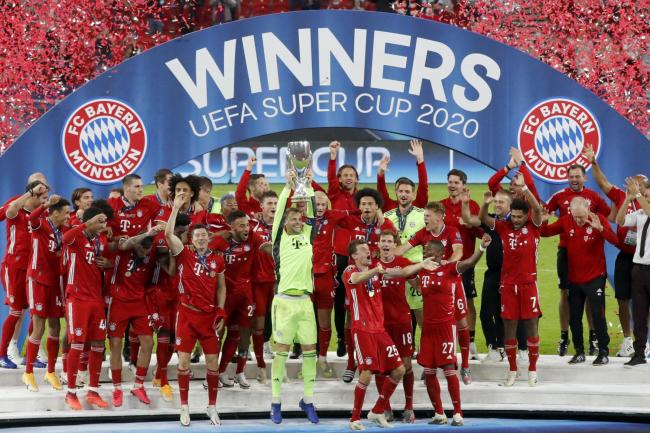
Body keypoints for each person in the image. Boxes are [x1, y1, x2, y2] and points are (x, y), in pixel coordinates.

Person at [344, 240, 432, 430]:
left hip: (380, 330)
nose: (368, 251)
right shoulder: (350, 271)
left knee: (399, 369)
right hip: (363, 330)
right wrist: (376, 271)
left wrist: (422, 264)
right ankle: (354, 419)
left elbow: (403, 272)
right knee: (366, 373)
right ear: (355, 256)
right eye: (363, 250)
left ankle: (378, 410)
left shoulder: (377, 270)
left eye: (368, 249)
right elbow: (357, 279)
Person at [411, 235, 491, 426]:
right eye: (424, 249)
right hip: (427, 329)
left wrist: (481, 247)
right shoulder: (422, 270)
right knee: (429, 372)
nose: (425, 251)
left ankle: (457, 413)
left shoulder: (450, 269)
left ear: (440, 253)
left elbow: (470, 262)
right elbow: (408, 276)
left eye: (428, 249)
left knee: (448, 369)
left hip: (445, 327)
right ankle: (439, 413)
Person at [165, 192, 226, 426]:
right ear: (191, 238)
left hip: (209, 317)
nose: (201, 238)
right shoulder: (184, 254)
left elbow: (221, 287)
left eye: (204, 235)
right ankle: (184, 406)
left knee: (213, 364)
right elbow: (168, 234)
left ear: (209, 238)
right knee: (183, 363)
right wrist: (175, 209)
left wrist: (221, 310)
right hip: (186, 315)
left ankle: (212, 407)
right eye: (197, 235)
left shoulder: (217, 260)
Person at [396, 201, 473, 384]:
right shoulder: (422, 233)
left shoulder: (451, 231)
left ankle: (465, 365)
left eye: (427, 216)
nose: (424, 219)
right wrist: (385, 255)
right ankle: (430, 364)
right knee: (431, 322)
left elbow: (459, 251)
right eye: (424, 216)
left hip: (451, 283)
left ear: (438, 217)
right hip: (431, 286)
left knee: (461, 322)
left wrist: (448, 265)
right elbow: (402, 250)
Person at [583, 144, 646, 357]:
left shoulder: (647, 202)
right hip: (625, 256)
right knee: (622, 298)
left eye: (639, 185)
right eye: (633, 184)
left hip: (644, 260)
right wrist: (593, 162)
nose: (634, 187)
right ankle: (627, 341)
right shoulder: (621, 196)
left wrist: (639, 197)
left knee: (645, 301)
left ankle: (644, 340)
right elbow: (603, 183)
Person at [480, 177, 544, 387]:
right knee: (509, 327)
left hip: (528, 285)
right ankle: (512, 370)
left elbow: (537, 208)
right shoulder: (503, 227)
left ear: (526, 216)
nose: (515, 220)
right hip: (507, 285)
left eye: (519, 217)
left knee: (531, 326)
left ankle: (532, 370)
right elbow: (483, 218)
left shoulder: (534, 227)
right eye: (513, 216)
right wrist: (485, 204)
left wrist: (525, 188)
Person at [541, 197, 618, 366]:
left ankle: (603, 352)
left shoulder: (598, 219)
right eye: (575, 217)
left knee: (597, 315)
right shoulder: (566, 220)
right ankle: (579, 352)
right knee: (574, 317)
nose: (578, 220)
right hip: (574, 279)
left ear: (588, 209)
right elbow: (544, 233)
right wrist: (544, 221)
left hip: (595, 277)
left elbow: (615, 240)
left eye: (581, 217)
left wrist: (601, 229)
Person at [269, 169, 319, 425]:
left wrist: (309, 186)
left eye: (300, 218)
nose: (299, 221)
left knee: (311, 352)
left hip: (305, 303)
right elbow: (279, 212)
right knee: (281, 353)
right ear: (285, 223)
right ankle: (275, 402)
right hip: (284, 303)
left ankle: (307, 400)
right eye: (293, 219)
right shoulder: (279, 239)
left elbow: (313, 214)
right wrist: (288, 188)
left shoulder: (307, 235)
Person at [545, 164, 611, 356]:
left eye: (577, 176)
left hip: (588, 252)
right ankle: (564, 336)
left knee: (590, 296)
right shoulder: (559, 196)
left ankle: (593, 338)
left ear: (585, 178)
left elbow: (609, 215)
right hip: (566, 253)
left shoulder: (594, 197)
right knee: (565, 294)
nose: (574, 180)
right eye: (571, 176)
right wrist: (544, 216)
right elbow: (544, 213)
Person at [461, 187, 527, 363]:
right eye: (495, 201)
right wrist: (466, 203)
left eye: (501, 202)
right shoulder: (491, 219)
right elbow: (469, 220)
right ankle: (494, 348)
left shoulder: (517, 221)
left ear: (510, 204)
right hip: (493, 273)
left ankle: (522, 349)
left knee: (513, 313)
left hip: (513, 275)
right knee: (486, 313)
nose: (497, 204)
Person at [336, 188, 396, 382]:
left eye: (371, 204)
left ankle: (377, 358)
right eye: (363, 204)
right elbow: (331, 216)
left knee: (378, 316)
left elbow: (394, 243)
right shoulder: (352, 221)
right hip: (355, 277)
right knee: (351, 318)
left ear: (377, 206)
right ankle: (351, 363)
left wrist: (383, 222)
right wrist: (353, 211)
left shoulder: (385, 224)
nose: (367, 207)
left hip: (377, 276)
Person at [107, 224, 166, 406]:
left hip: (139, 302)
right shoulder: (126, 246)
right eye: (142, 249)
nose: (145, 253)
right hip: (118, 301)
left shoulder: (151, 250)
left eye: (148, 250)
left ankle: (138, 385)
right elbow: (124, 244)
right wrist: (146, 234)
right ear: (137, 244)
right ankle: (117, 388)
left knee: (148, 343)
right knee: (115, 345)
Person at [379, 140, 427, 362]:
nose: (404, 194)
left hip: (415, 272)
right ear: (396, 192)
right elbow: (380, 193)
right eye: (400, 191)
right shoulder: (387, 216)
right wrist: (381, 174)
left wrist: (420, 161)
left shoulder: (421, 214)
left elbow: (425, 187)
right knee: (394, 315)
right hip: (394, 272)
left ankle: (424, 353)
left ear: (413, 194)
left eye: (408, 191)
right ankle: (396, 352)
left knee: (421, 315)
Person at [62, 206, 111, 410]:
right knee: (77, 343)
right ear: (89, 222)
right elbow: (65, 238)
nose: (103, 225)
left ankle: (92, 391)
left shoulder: (99, 241)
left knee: (99, 343)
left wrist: (108, 264)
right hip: (77, 298)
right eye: (100, 221)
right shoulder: (76, 237)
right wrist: (87, 223)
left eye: (105, 221)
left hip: (96, 299)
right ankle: (71, 392)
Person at [210, 210, 266, 388]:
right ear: (231, 227)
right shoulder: (220, 242)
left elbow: (266, 246)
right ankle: (212, 374)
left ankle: (237, 371)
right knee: (217, 334)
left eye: (247, 225)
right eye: (242, 226)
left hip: (245, 295)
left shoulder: (253, 238)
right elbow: (203, 251)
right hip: (224, 295)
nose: (246, 229)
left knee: (241, 335)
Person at [22, 196, 70, 391]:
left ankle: (51, 372)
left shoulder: (63, 230)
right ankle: (28, 373)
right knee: (39, 325)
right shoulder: (40, 224)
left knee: (55, 326)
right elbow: (30, 218)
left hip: (55, 281)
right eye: (66, 213)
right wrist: (46, 204)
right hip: (37, 279)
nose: (68, 216)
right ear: (55, 213)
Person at [0, 181, 49, 369]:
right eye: (43, 197)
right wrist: (30, 192)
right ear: (33, 195)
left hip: (33, 269)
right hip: (13, 267)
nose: (45, 202)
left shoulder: (41, 216)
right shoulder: (17, 211)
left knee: (36, 312)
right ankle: (2, 354)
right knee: (16, 311)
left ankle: (32, 354)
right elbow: (10, 210)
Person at [441, 169, 482, 361]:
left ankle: (471, 341)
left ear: (464, 185)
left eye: (456, 182)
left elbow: (481, 232)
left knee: (468, 301)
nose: (452, 185)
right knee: (442, 303)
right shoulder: (440, 206)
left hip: (464, 264)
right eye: (450, 182)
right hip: (443, 264)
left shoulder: (472, 205)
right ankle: (445, 341)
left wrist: (469, 225)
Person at [375, 230, 416, 423]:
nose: (385, 244)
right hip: (380, 324)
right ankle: (385, 409)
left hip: (402, 321)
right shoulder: (372, 266)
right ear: (378, 244)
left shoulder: (403, 263)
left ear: (394, 245)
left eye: (389, 241)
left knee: (406, 365)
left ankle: (409, 407)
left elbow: (417, 284)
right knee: (381, 367)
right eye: (382, 241)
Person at [150, 213, 191, 401]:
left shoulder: (188, 246)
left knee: (174, 341)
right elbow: (172, 270)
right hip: (159, 294)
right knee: (164, 338)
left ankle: (159, 374)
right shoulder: (162, 245)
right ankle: (163, 381)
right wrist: (175, 250)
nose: (187, 235)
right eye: (183, 231)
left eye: (187, 231)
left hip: (177, 296)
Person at [326, 141, 360, 359]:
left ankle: (357, 337)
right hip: (338, 255)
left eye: (351, 175)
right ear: (339, 179)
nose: (348, 178)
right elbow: (330, 179)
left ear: (356, 178)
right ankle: (341, 339)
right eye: (344, 175)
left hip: (358, 256)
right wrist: (333, 156)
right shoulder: (334, 195)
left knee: (358, 298)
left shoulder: (363, 198)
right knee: (339, 299)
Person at [311, 191, 348, 377]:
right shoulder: (301, 219)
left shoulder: (332, 217)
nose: (319, 208)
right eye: (316, 204)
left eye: (323, 205)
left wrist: (378, 214)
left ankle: (322, 359)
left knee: (324, 321)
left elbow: (356, 215)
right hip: (304, 276)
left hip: (325, 276)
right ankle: (308, 360)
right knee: (305, 321)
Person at [616, 178, 650, 367]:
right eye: (646, 196)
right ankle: (639, 353)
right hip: (638, 269)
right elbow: (620, 221)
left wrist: (637, 194)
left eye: (648, 196)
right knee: (639, 314)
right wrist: (627, 200)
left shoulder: (647, 211)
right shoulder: (640, 213)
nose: (646, 198)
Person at [250, 191, 277, 381]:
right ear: (261, 206)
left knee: (276, 319)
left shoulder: (284, 226)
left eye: (275, 203)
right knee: (257, 321)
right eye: (269, 203)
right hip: (258, 281)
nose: (273, 206)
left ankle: (267, 345)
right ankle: (257, 359)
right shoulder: (252, 226)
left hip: (279, 281)